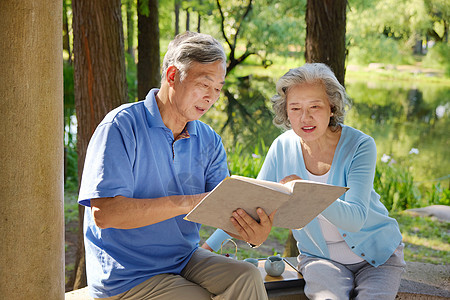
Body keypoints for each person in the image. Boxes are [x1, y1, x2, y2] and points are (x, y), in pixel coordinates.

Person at [78, 31, 272, 300]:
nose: (211, 97)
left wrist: (252, 231)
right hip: (127, 275)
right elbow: (106, 214)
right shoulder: (120, 126)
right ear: (172, 75)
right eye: (204, 84)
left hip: (183, 259)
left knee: (247, 276)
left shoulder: (209, 141)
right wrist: (189, 203)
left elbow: (223, 209)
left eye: (217, 88)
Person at [205, 63, 406, 299]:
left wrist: (306, 193)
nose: (305, 117)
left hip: (378, 256)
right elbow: (250, 206)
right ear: (286, 112)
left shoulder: (360, 145)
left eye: (315, 106)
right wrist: (207, 249)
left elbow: (356, 219)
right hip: (321, 259)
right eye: (295, 108)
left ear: (332, 107)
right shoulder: (282, 147)